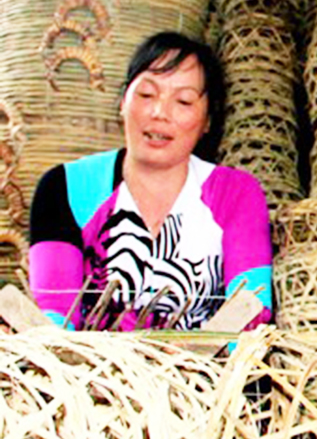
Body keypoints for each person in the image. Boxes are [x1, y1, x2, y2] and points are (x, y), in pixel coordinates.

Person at [28, 32, 274, 332]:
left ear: (208, 121)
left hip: (207, 361)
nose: (160, 113)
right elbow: (54, 314)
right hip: (86, 361)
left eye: (183, 101)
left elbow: (250, 309)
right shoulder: (65, 187)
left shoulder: (235, 193)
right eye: (146, 94)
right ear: (123, 102)